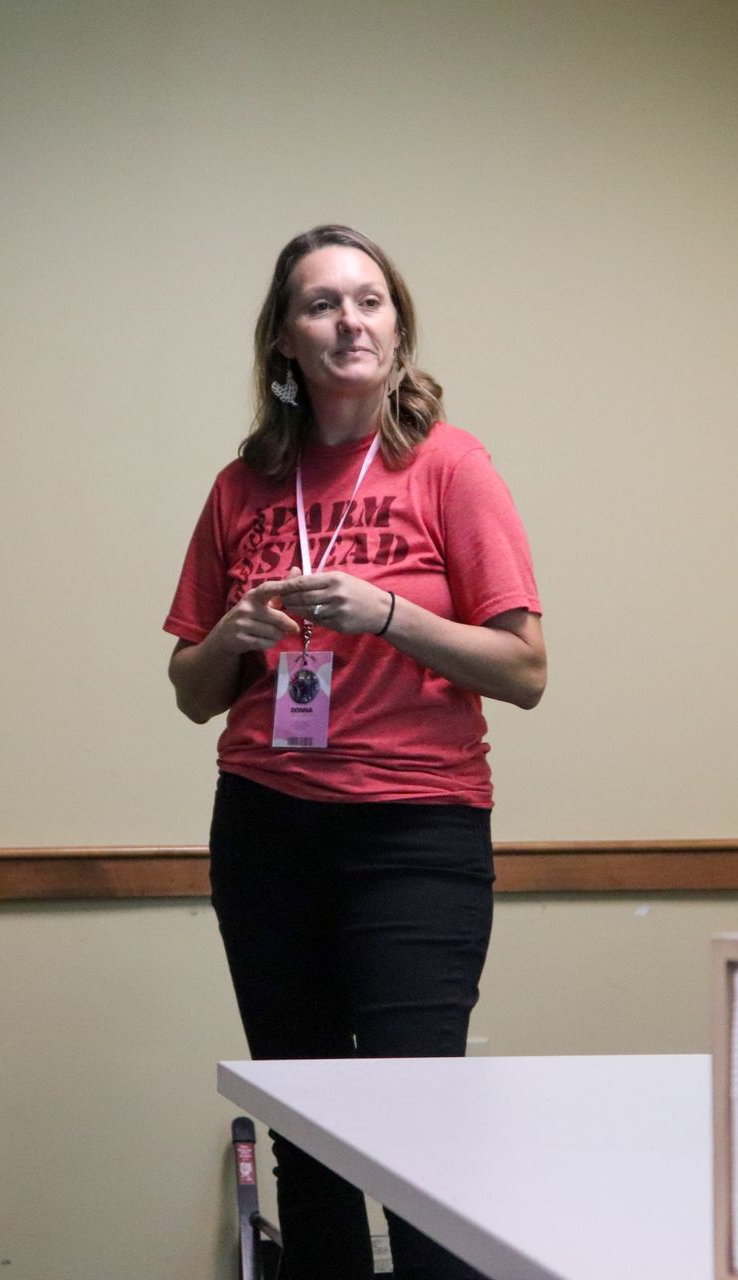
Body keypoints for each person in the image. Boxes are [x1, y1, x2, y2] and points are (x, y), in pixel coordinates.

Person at [164, 225, 545, 1280]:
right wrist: (229, 640)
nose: (351, 320)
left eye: (370, 300)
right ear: (285, 340)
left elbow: (523, 669)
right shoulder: (242, 487)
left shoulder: (450, 468)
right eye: (324, 304)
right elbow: (191, 694)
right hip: (266, 829)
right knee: (310, 1128)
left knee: (420, 1132)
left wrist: (387, 612)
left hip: (414, 834)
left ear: (398, 325)